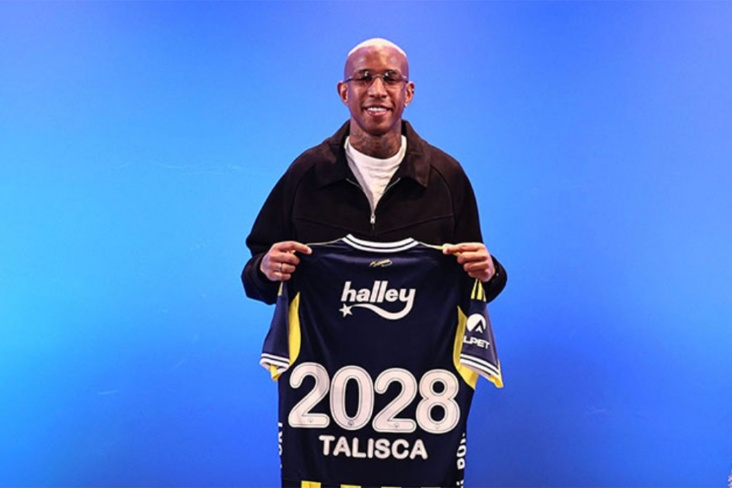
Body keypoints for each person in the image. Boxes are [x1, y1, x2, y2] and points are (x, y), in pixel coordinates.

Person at [242, 37, 507, 304]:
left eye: (391, 78)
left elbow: (475, 282)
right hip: (323, 334)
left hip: (421, 334)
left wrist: (491, 273)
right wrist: (265, 270)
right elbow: (256, 278)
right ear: (344, 92)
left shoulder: (446, 176)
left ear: (408, 92)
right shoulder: (307, 173)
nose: (377, 90)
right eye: (364, 77)